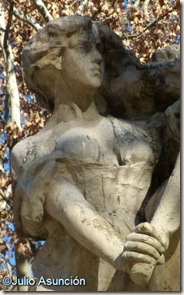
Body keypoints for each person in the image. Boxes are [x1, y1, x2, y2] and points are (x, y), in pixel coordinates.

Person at [11, 16, 180, 291]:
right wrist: (123, 254)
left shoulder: (143, 129)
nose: (97, 58)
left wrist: (158, 231)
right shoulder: (33, 148)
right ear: (54, 61)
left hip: (156, 255)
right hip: (85, 267)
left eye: (98, 49)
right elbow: (62, 199)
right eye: (84, 48)